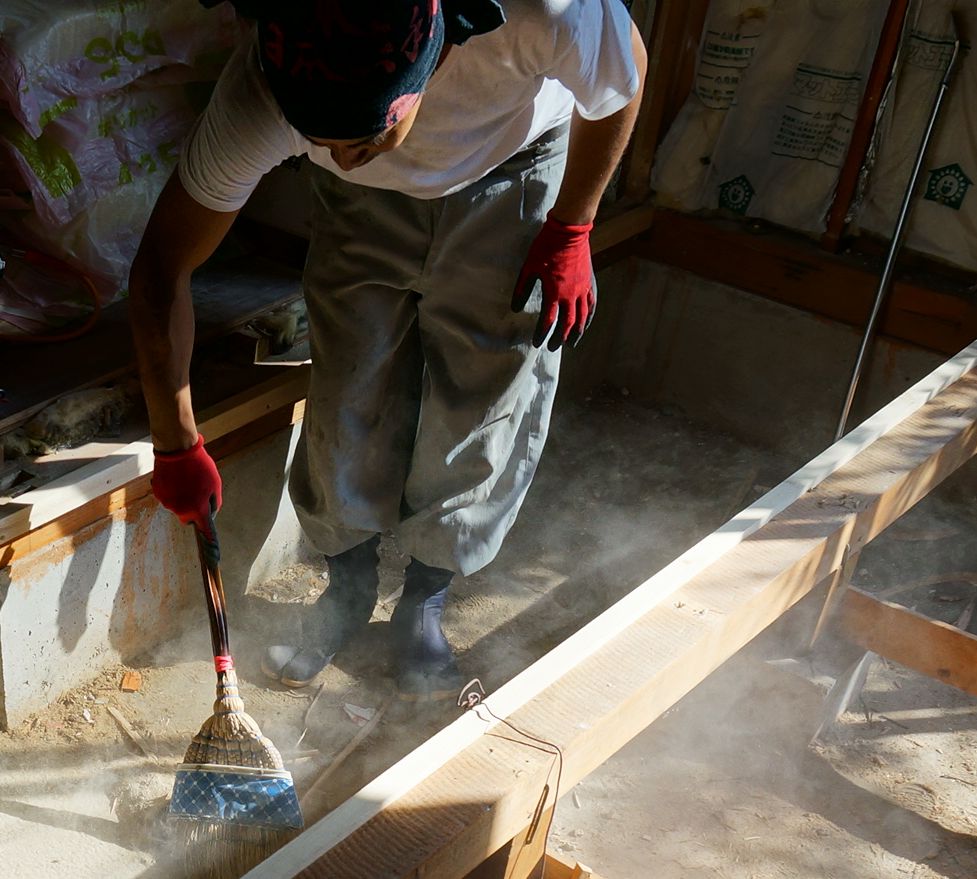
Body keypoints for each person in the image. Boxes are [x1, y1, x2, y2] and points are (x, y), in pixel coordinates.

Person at [130, 0, 645, 698]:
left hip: (513, 163)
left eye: (363, 139)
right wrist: (175, 444)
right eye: (320, 142)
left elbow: (624, 76)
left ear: (438, 60)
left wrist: (573, 226)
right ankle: (346, 591)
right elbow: (163, 268)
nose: (345, 156)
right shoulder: (262, 93)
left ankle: (425, 598)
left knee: (484, 386)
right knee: (350, 379)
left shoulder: (545, 11)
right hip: (359, 205)